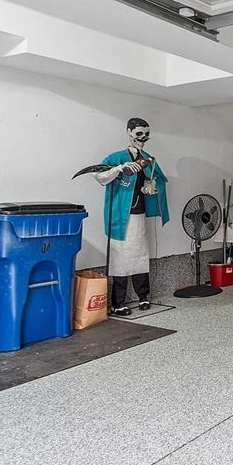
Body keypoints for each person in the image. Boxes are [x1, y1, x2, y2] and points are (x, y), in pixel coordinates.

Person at [93, 118, 169, 316]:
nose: (143, 138)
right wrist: (119, 168)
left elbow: (160, 179)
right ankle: (117, 303)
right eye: (139, 134)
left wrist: (153, 185)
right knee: (120, 258)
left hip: (139, 214)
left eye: (146, 134)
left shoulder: (148, 159)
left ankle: (143, 296)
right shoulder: (116, 157)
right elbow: (99, 176)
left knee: (140, 256)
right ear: (129, 132)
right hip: (120, 216)